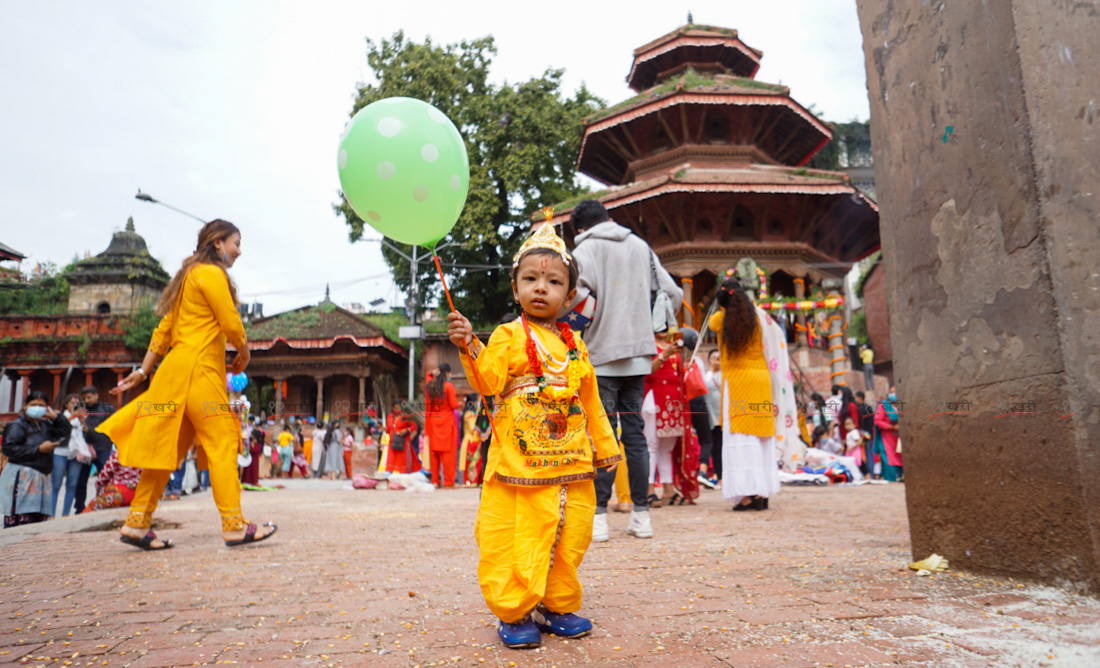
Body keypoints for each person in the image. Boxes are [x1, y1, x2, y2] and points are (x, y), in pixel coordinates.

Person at [447, 222, 621, 649]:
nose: (540, 288)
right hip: (519, 460)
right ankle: (515, 608)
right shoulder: (507, 335)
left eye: (553, 281)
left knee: (572, 530)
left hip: (573, 460)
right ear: (515, 286)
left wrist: (604, 445)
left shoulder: (575, 344)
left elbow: (591, 398)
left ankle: (557, 603)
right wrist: (470, 344)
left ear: (570, 294)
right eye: (531, 279)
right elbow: (488, 381)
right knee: (517, 530)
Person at [98, 219, 275, 549]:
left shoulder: (188, 278)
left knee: (170, 449)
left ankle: (137, 522)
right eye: (237, 242)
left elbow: (164, 329)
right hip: (198, 373)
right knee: (223, 438)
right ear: (218, 243)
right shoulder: (211, 273)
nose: (240, 250)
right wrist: (245, 351)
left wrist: (143, 369)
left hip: (173, 374)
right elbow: (230, 320)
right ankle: (234, 524)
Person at [565, 199, 682, 542]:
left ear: (581, 228)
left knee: (603, 437)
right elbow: (672, 293)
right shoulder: (640, 246)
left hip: (601, 355)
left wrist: (590, 318)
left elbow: (572, 297)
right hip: (639, 356)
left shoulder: (585, 251)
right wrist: (648, 324)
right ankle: (641, 517)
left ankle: (599, 518)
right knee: (635, 437)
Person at [709, 278, 778, 511]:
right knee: (760, 438)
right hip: (761, 380)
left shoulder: (721, 320)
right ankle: (762, 492)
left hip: (738, 383)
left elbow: (711, 323)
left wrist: (721, 306)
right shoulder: (758, 319)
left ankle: (748, 495)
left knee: (741, 438)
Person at [1, 391, 70, 527]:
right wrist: (38, 449)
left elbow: (66, 432)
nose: (37, 407)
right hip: (21, 478)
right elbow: (9, 449)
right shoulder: (17, 425)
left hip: (41, 478)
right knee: (19, 520)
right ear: (25, 406)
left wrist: (56, 417)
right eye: (33, 404)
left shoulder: (45, 426)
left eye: (41, 405)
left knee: (37, 521)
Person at [644, 329, 684, 508]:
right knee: (651, 445)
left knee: (667, 446)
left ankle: (668, 489)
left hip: (673, 400)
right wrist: (665, 355)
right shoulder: (645, 343)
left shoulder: (671, 346)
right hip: (654, 398)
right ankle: (649, 489)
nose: (664, 329)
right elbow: (647, 370)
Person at [76, 385, 116, 513]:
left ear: (96, 395)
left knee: (107, 478)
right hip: (85, 450)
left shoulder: (107, 408)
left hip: (103, 447)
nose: (87, 400)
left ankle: (108, 502)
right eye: (84, 398)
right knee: (81, 481)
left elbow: (114, 426)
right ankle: (80, 507)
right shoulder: (80, 409)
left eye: (89, 397)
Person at [51, 394, 90, 517]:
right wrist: (72, 417)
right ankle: (51, 514)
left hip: (76, 453)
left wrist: (82, 421)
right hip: (60, 452)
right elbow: (58, 430)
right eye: (72, 403)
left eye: (77, 403)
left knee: (72, 484)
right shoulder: (60, 417)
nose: (75, 405)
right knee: (55, 484)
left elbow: (87, 432)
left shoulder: (80, 418)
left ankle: (65, 514)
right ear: (66, 405)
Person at [425, 363, 461, 488]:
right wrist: (459, 404)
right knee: (448, 454)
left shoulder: (430, 386)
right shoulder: (448, 386)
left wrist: (431, 373)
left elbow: (427, 406)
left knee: (434, 453)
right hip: (446, 421)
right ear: (446, 373)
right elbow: (454, 404)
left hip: (433, 421)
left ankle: (435, 481)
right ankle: (449, 482)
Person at [82, 448, 141, 512]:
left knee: (92, 507)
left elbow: (103, 476)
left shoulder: (121, 453)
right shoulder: (148, 455)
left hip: (119, 493)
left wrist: (99, 489)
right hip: (142, 494)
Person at [872, 386, 903, 481]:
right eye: (891, 392)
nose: (893, 394)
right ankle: (890, 479)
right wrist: (892, 427)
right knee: (889, 459)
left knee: (901, 458)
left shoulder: (902, 404)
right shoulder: (884, 405)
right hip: (887, 437)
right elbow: (877, 421)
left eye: (895, 391)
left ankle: (900, 478)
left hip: (900, 438)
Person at [703, 349, 723, 485]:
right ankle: (718, 475)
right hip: (711, 417)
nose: (715, 361)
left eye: (718, 358)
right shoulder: (707, 375)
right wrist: (711, 370)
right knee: (715, 447)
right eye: (712, 358)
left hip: (723, 416)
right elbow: (703, 386)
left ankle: (722, 476)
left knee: (723, 446)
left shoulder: (725, 374)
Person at [384, 400, 419, 475]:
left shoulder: (406, 416)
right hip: (392, 442)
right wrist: (385, 429)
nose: (397, 410)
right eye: (395, 408)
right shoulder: (390, 416)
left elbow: (414, 427)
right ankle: (388, 476)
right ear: (392, 408)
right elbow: (388, 429)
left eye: (399, 408)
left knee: (403, 464)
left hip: (403, 443)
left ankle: (403, 479)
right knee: (390, 461)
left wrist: (406, 430)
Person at [459, 393, 483, 485]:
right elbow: (472, 428)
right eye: (477, 401)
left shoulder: (471, 412)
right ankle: (470, 481)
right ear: (473, 402)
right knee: (471, 462)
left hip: (472, 439)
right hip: (470, 440)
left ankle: (473, 481)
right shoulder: (469, 413)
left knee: (473, 462)